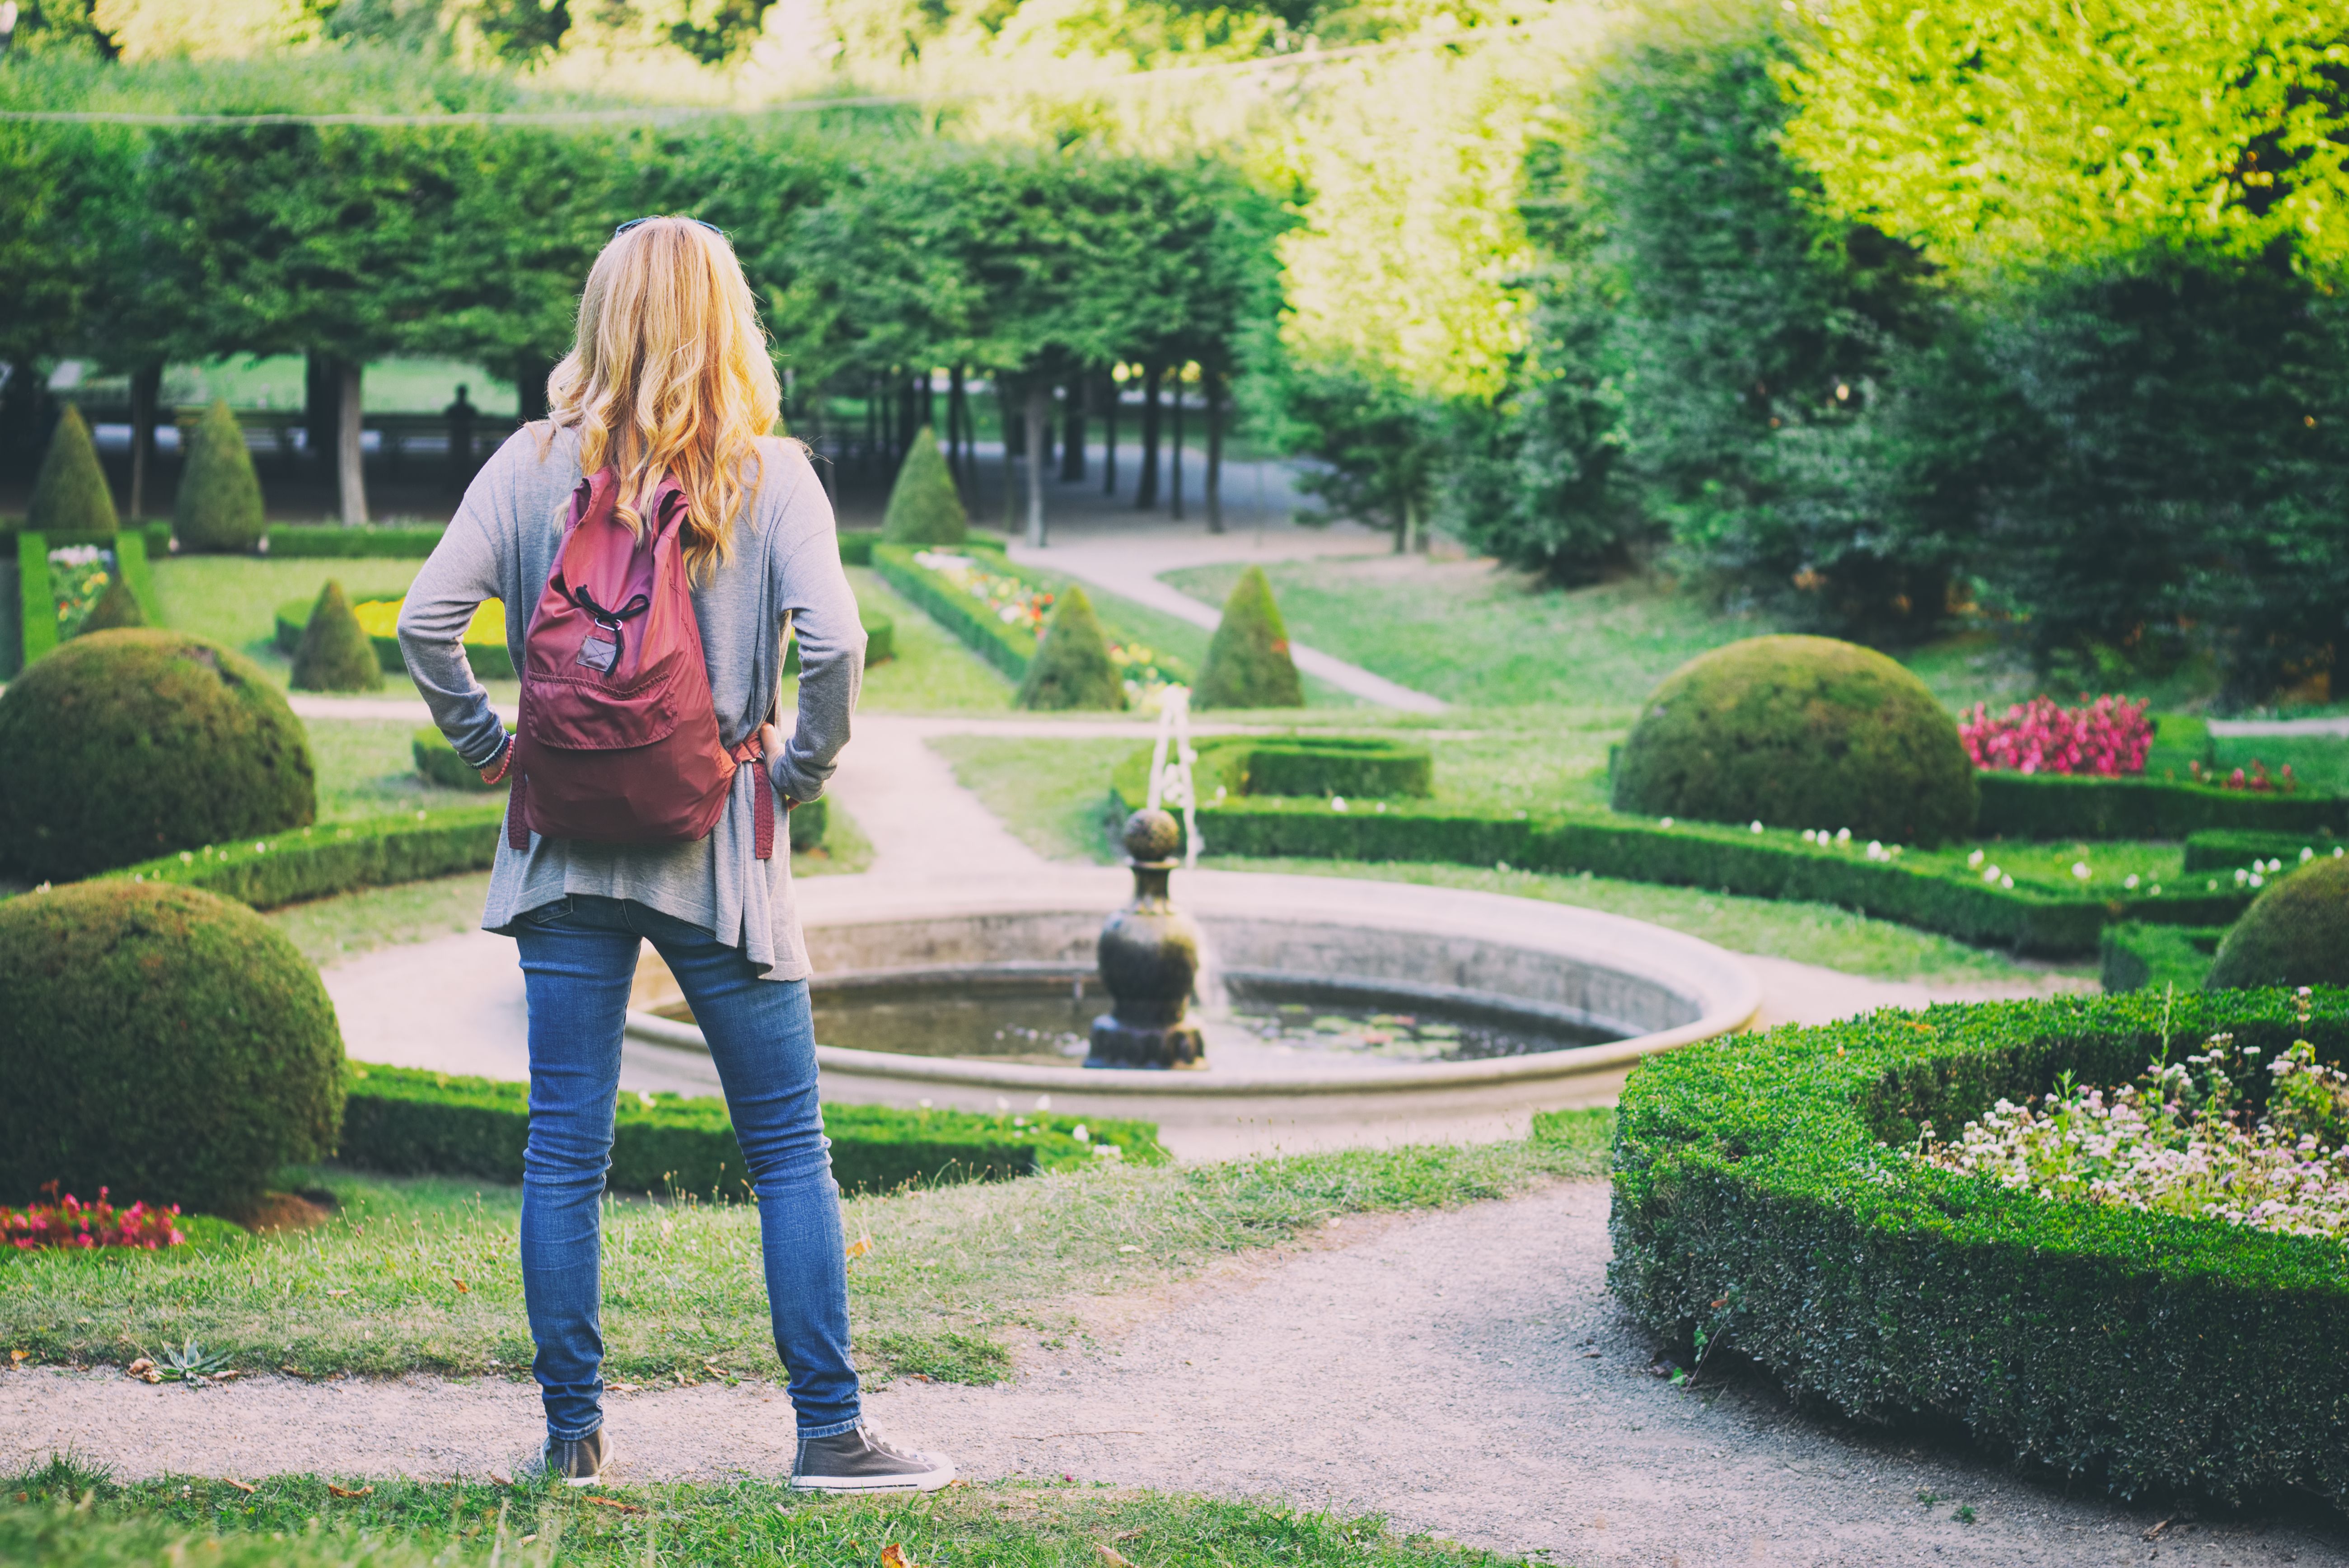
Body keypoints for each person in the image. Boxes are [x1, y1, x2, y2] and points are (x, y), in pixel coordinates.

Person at [398, 215, 954, 1493]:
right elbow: (841, 646)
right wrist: (791, 771)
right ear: (729, 321)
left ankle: (572, 1438)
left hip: (562, 855)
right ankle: (830, 1432)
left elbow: (427, 619)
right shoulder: (768, 473)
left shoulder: (531, 466)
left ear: (600, 318)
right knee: (787, 1149)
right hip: (720, 849)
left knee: (561, 1153)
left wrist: (496, 746)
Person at [444, 382, 478, 482]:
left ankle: (455, 482)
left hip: (456, 438)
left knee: (456, 460)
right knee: (464, 460)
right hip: (465, 438)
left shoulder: (452, 410)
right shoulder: (470, 410)